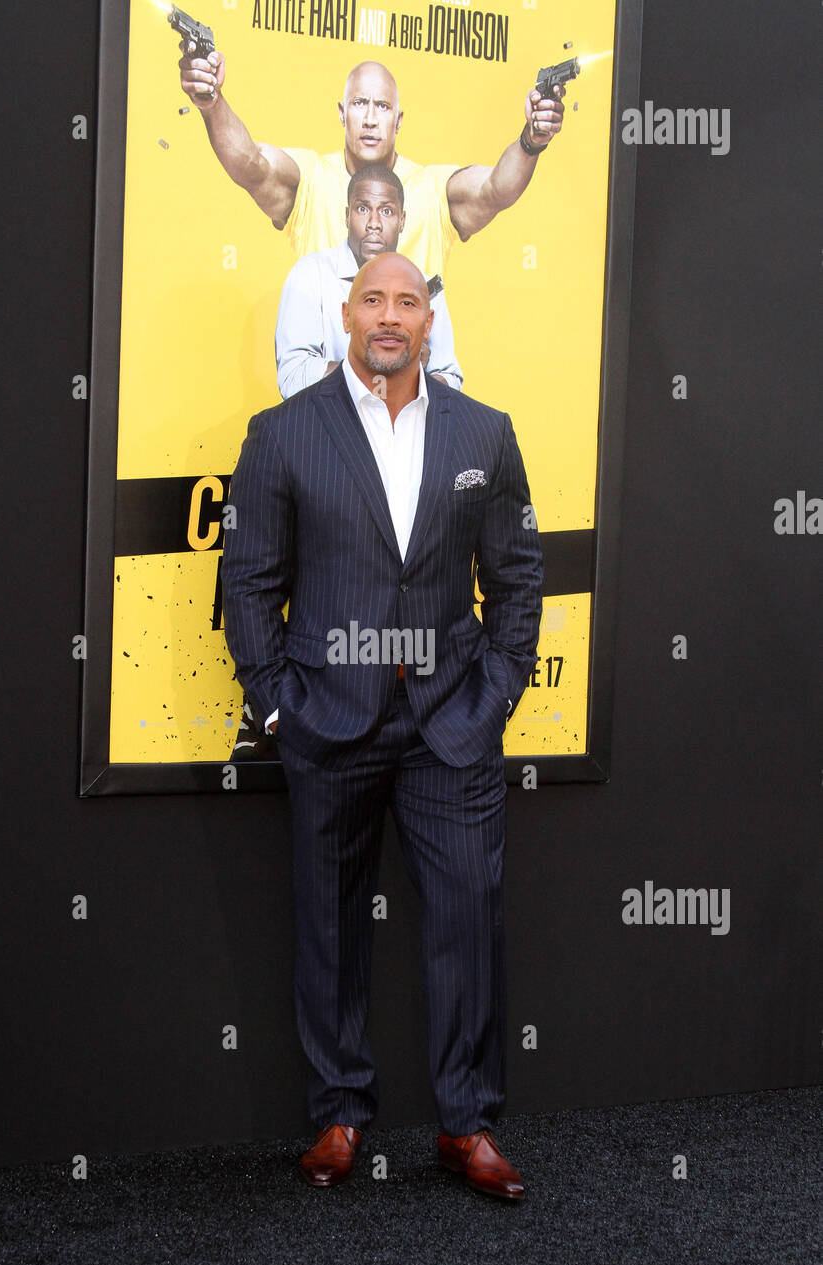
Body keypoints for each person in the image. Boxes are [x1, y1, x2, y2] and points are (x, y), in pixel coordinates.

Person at [221, 252, 544, 1201]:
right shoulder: (282, 435)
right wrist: (280, 702)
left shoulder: (485, 432)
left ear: (430, 321)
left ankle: (467, 1125)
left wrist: (494, 698)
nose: (391, 316)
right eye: (374, 300)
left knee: (466, 923)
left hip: (452, 723)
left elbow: (519, 577)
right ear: (347, 315)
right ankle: (337, 1116)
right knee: (327, 926)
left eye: (409, 300)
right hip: (331, 721)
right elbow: (246, 581)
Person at [178, 52, 567, 271]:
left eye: (381, 106)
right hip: (326, 391)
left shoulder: (431, 189)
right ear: (341, 113)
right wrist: (212, 103)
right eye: (360, 104)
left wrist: (531, 141)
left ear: (398, 120)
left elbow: (497, 188)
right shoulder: (311, 179)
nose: (369, 118)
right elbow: (249, 164)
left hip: (409, 394)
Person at [275, 163, 463, 398]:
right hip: (329, 429)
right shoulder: (309, 274)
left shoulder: (425, 286)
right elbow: (293, 378)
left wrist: (418, 379)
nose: (374, 223)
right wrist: (389, 369)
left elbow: (451, 380)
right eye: (363, 209)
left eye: (386, 211)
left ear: (402, 221)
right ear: (346, 216)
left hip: (405, 429)